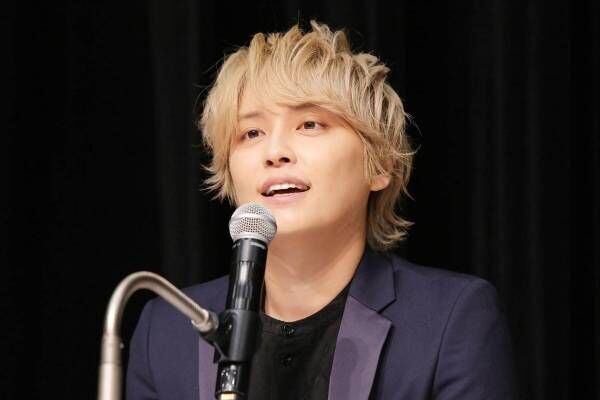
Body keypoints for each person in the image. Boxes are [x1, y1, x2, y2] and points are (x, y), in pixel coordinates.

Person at [126, 21, 515, 400]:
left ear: (379, 164)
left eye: (309, 124)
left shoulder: (448, 319)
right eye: (251, 133)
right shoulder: (167, 328)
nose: (274, 152)